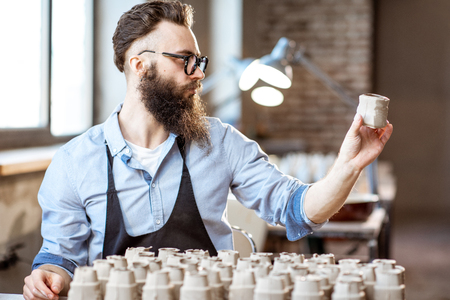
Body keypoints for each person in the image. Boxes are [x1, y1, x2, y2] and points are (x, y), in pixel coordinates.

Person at [23, 1, 393, 299]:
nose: (198, 73)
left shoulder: (220, 142)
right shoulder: (74, 162)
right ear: (140, 66)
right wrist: (47, 279)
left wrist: (349, 165)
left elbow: (295, 209)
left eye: (199, 62)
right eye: (185, 60)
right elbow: (62, 259)